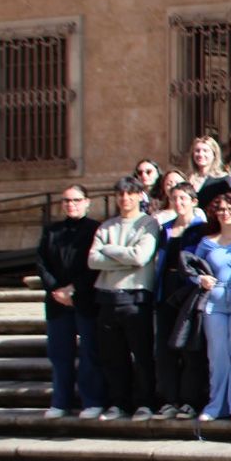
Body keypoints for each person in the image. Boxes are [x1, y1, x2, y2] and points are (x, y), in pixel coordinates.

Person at [88, 177, 162, 421]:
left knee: (141, 354)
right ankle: (118, 403)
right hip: (107, 297)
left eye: (130, 194)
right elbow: (92, 260)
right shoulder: (106, 225)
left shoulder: (148, 224)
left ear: (140, 195)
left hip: (135, 296)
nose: (124, 198)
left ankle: (145, 403)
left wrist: (108, 250)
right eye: (120, 194)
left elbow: (140, 257)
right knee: (113, 356)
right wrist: (124, 257)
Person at [188, 192, 231, 422]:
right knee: (217, 354)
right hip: (214, 301)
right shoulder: (208, 241)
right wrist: (200, 280)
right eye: (220, 209)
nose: (225, 213)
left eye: (229, 209)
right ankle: (215, 405)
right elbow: (191, 268)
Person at [38, 184, 105, 419]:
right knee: (59, 354)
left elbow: (95, 265)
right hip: (57, 302)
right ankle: (60, 402)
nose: (71, 204)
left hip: (85, 300)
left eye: (76, 200)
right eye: (66, 201)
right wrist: (57, 289)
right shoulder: (52, 231)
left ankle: (92, 401)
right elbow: (42, 263)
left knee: (90, 353)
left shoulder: (96, 229)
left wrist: (74, 290)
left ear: (87, 202)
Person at [153, 182, 207, 420]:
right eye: (175, 198)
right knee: (165, 348)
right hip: (166, 289)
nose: (179, 203)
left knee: (189, 347)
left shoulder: (202, 230)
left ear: (194, 201)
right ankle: (169, 399)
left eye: (184, 198)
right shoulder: (164, 228)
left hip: (189, 292)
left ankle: (190, 400)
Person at [184, 136, 231, 207]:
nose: (201, 154)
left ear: (214, 155)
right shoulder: (187, 178)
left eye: (205, 151)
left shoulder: (223, 180)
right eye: (197, 151)